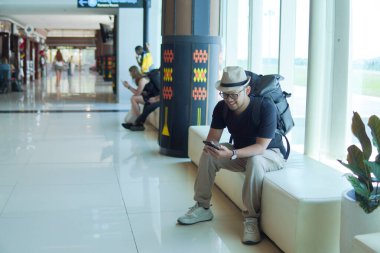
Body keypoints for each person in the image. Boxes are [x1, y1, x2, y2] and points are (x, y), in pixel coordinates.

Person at [177, 66, 286, 245]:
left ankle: (251, 219)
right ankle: (203, 206)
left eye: (234, 94)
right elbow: (213, 139)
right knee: (209, 154)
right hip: (241, 152)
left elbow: (260, 147)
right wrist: (214, 148)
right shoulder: (222, 108)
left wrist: (232, 153)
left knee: (256, 161)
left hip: (270, 154)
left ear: (247, 90)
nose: (229, 99)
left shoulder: (265, 107)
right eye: (224, 94)